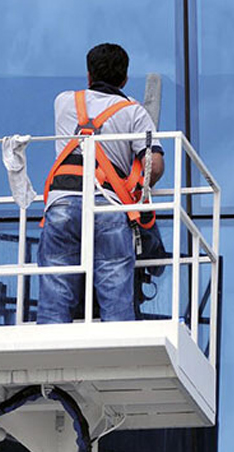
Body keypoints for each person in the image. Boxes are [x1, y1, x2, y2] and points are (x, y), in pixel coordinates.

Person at [36, 43, 165, 324]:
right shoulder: (133, 112)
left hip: (61, 205)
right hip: (107, 207)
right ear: (125, 78)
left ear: (89, 75)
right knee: (116, 302)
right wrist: (135, 189)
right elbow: (154, 166)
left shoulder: (64, 102)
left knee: (54, 302)